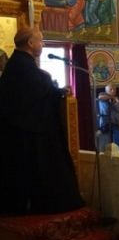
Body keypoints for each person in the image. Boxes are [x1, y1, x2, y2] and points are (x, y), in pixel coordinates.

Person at [0, 27, 84, 214]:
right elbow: (36, 95)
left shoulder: (19, 64)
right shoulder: (23, 66)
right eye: (40, 40)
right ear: (30, 43)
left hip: (22, 131)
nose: (43, 43)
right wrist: (57, 92)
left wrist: (55, 91)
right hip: (28, 134)